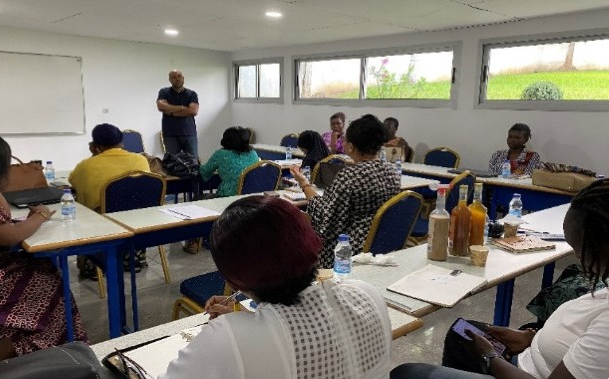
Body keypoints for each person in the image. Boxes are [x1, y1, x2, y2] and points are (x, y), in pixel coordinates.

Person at [390, 179, 609, 379]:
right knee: (462, 334)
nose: (579, 259)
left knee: (407, 373)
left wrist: (490, 357)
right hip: (531, 355)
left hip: (528, 372)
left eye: (580, 250)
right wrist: (530, 339)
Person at [159, 196, 392, 379]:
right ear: (308, 240)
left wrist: (235, 331)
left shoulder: (226, 338)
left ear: (231, 279)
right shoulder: (367, 293)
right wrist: (249, 323)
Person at [0, 136, 88, 360]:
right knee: (52, 283)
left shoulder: (85, 168)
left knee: (45, 266)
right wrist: (40, 215)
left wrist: (25, 222)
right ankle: (30, 348)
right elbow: (9, 236)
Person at [291, 114, 401, 268]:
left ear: (350, 146)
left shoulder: (350, 176)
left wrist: (304, 184)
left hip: (346, 252)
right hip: (382, 246)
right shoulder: (392, 172)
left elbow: (325, 220)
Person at [69, 123, 150, 276]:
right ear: (121, 142)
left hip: (103, 226)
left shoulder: (86, 166)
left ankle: (93, 267)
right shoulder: (141, 160)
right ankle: (134, 260)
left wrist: (96, 156)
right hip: (138, 223)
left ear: (95, 146)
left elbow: (73, 183)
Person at [199, 126, 259, 198]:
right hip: (250, 197)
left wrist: (198, 164)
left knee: (197, 198)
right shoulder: (253, 153)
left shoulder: (221, 154)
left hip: (227, 197)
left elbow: (205, 173)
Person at [156, 69, 200, 159]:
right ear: (170, 80)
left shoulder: (191, 94)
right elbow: (161, 106)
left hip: (189, 133)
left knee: (193, 162)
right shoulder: (164, 92)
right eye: (174, 77)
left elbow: (193, 111)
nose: (177, 79)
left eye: (179, 76)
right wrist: (182, 108)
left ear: (183, 78)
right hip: (170, 134)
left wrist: (171, 112)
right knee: (172, 163)